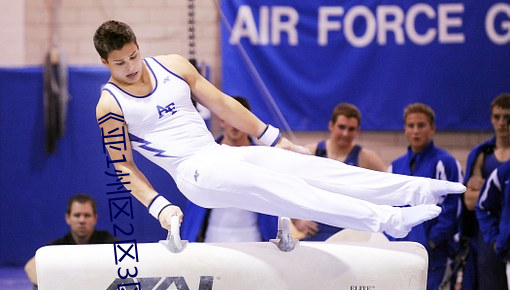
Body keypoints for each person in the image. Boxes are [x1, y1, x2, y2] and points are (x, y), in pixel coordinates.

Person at [93, 20, 464, 246]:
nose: (130, 68)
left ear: (139, 46)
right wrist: (159, 207)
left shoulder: (172, 66)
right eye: (119, 63)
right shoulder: (110, 106)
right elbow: (124, 167)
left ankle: (413, 188)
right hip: (193, 174)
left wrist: (274, 138)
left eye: (133, 56)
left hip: (220, 156)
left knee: (312, 169)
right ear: (105, 63)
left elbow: (223, 103)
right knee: (289, 191)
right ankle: (387, 220)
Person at [181, 96, 278, 290]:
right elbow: (192, 198)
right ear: (221, 120)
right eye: (229, 119)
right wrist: (187, 238)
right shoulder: (204, 154)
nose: (235, 126)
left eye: (239, 120)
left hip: (254, 239)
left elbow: (275, 199)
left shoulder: (262, 159)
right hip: (214, 238)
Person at [295, 102, 386, 290]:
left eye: (351, 129)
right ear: (331, 126)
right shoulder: (311, 152)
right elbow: (285, 190)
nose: (345, 134)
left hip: (351, 239)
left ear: (357, 131)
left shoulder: (365, 158)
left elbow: (389, 192)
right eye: (341, 127)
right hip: (317, 235)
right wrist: (297, 219)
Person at [387, 103, 462, 290]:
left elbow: (452, 209)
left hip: (436, 257)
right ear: (405, 130)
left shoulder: (445, 163)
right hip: (405, 259)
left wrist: (432, 241)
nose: (416, 131)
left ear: (432, 129)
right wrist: (395, 243)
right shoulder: (395, 167)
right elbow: (388, 209)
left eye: (421, 125)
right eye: (411, 126)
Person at [19, 194, 117, 290]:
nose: (82, 220)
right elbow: (30, 266)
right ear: (68, 218)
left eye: (87, 215)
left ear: (95, 218)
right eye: (77, 215)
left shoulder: (108, 242)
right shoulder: (58, 246)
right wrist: (60, 284)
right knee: (42, 270)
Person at [460, 93, 510, 290]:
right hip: (489, 238)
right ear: (491, 119)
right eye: (497, 117)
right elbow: (469, 202)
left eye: (507, 118)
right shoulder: (482, 154)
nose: (502, 123)